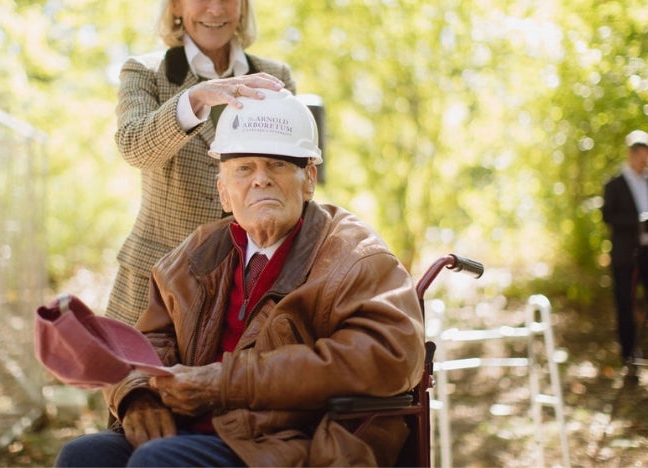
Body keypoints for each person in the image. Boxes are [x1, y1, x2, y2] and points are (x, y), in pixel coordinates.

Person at [56, 90, 425, 467]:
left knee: (158, 460)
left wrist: (226, 382)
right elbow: (151, 340)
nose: (260, 179)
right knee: (84, 456)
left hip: (290, 441)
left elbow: (391, 356)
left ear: (309, 179)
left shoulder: (356, 255)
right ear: (224, 192)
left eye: (277, 165)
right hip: (194, 429)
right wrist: (137, 395)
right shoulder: (197, 251)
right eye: (244, 168)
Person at [106, 0, 297, 326]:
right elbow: (134, 146)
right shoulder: (146, 72)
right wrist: (194, 98)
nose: (215, 8)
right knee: (139, 389)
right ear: (176, 2)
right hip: (155, 280)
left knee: (236, 389)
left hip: (248, 284)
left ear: (243, 3)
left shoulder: (274, 77)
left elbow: (294, 174)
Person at [602, 129, 648, 375]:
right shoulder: (614, 184)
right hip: (625, 256)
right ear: (631, 155)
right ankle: (630, 358)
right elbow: (608, 216)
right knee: (625, 306)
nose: (645, 162)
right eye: (642, 157)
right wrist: (640, 221)